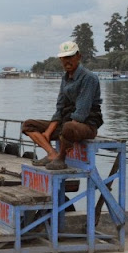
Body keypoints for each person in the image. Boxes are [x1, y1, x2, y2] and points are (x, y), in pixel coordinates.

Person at [22, 41, 103, 170]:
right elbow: (59, 108)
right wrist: (48, 132)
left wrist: (63, 127)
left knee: (69, 127)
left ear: (78, 57)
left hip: (85, 125)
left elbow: (81, 114)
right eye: (64, 58)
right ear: (60, 59)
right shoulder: (65, 78)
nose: (67, 61)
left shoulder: (88, 78)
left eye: (70, 57)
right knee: (28, 125)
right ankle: (52, 154)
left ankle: (61, 158)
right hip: (66, 123)